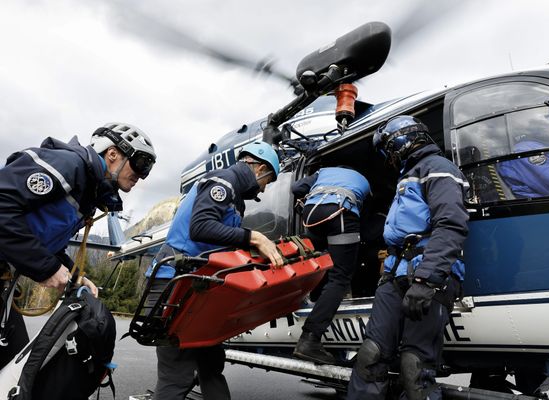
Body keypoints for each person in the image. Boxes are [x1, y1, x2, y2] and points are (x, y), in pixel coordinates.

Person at [0, 122, 156, 369]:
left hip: (5, 282)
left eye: (148, 168)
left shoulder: (87, 190)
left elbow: (48, 242)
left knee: (17, 371)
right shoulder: (67, 165)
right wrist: (47, 268)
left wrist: (75, 277)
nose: (142, 174)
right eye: (140, 162)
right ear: (112, 153)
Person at [148, 140, 283, 400]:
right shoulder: (223, 181)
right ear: (260, 169)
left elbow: (221, 244)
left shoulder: (235, 199)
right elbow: (200, 227)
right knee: (177, 374)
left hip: (196, 286)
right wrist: (253, 237)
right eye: (269, 181)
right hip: (173, 283)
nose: (264, 189)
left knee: (211, 364)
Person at [346, 116, 469, 400]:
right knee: (371, 355)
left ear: (400, 141)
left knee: (414, 366)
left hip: (428, 275)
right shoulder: (407, 175)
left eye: (389, 149)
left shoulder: (438, 169)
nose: (389, 157)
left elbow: (450, 224)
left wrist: (427, 279)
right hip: (395, 276)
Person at [291, 166, 370, 365]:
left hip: (311, 215)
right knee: (341, 277)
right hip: (341, 211)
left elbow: (296, 188)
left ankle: (312, 300)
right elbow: (365, 212)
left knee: (317, 260)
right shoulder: (363, 178)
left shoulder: (323, 172)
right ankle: (310, 339)